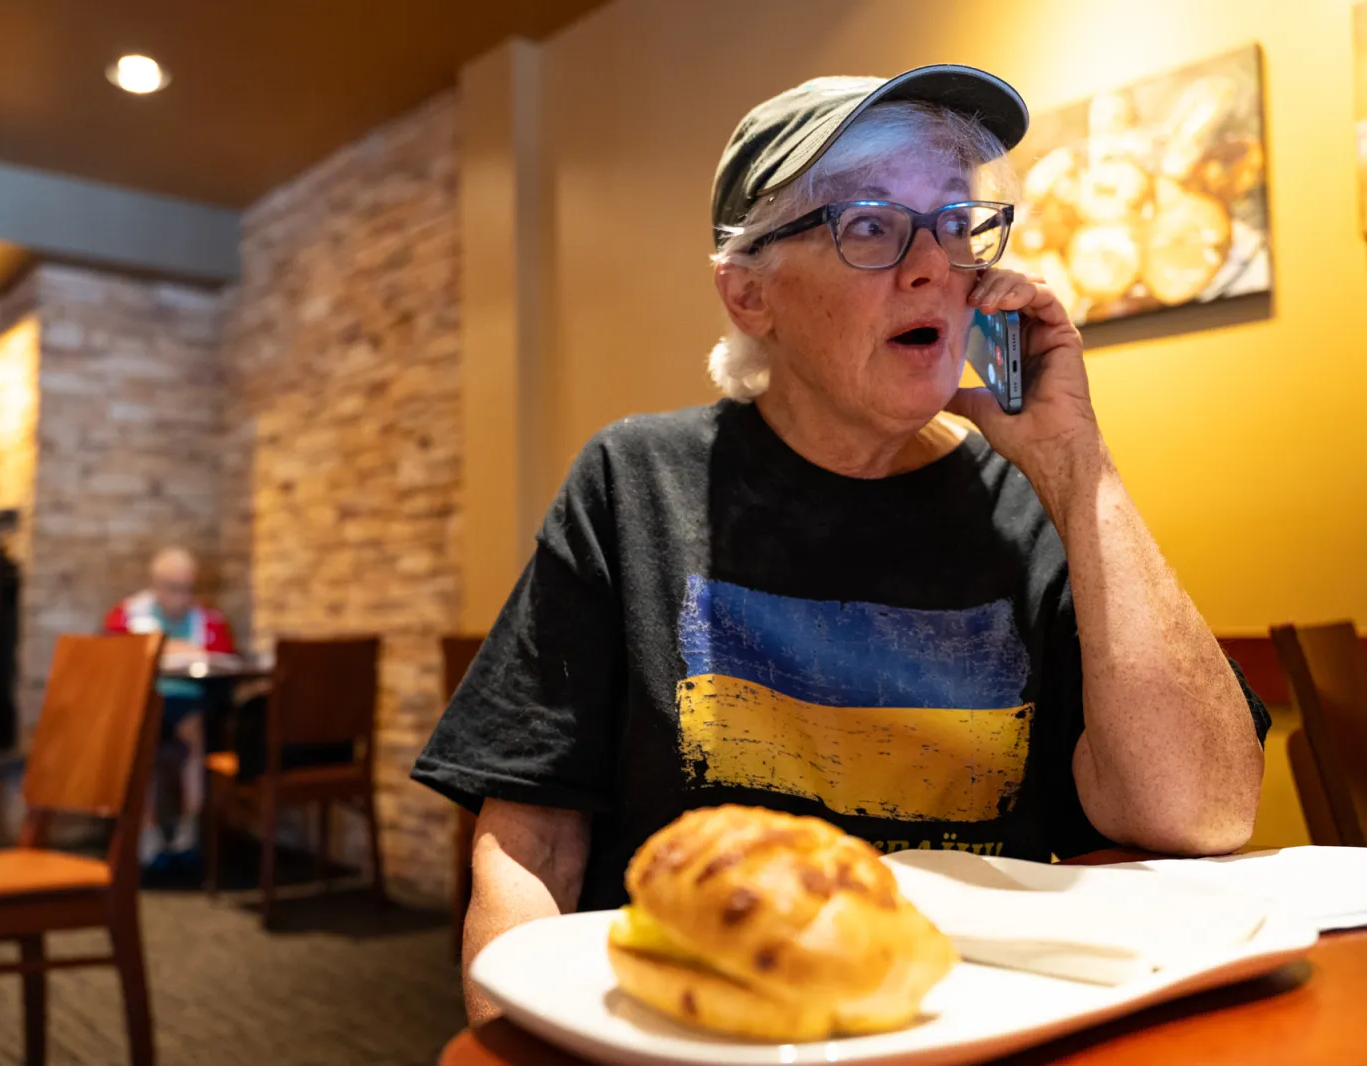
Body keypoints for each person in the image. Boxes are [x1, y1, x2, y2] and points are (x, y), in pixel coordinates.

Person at [410, 64, 1270, 1023]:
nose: (932, 266)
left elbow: (1203, 815)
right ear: (749, 296)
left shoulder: (1033, 506)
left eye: (955, 223)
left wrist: (1077, 466)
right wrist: (520, 1041)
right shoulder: (635, 483)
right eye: (868, 225)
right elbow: (532, 845)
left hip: (963, 1025)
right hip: (701, 1021)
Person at [104, 547, 236, 868]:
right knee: (142, 736)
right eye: (175, 589)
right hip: (144, 703)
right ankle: (147, 832)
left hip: (188, 700)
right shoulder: (129, 614)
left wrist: (172, 648)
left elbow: (224, 656)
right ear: (157, 585)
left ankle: (188, 832)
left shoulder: (207, 619)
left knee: (193, 731)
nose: (183, 597)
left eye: (189, 589)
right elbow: (112, 657)